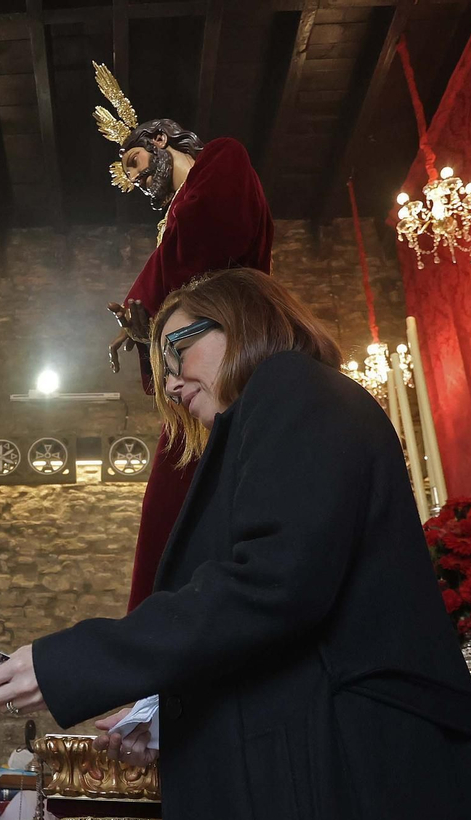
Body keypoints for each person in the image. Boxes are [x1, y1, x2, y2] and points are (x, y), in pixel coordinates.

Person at [0, 269, 471, 820]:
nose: (168, 379)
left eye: (179, 347)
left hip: (332, 773)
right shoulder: (273, 418)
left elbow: (277, 582)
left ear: (246, 324)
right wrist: (163, 706)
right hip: (300, 758)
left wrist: (74, 660)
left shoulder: (295, 391)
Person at [93, 61, 275, 610]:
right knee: (170, 512)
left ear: (161, 138)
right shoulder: (173, 221)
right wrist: (144, 327)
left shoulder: (222, 159)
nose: (131, 177)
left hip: (235, 352)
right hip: (195, 373)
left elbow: (203, 243)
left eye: (133, 160)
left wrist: (146, 303)